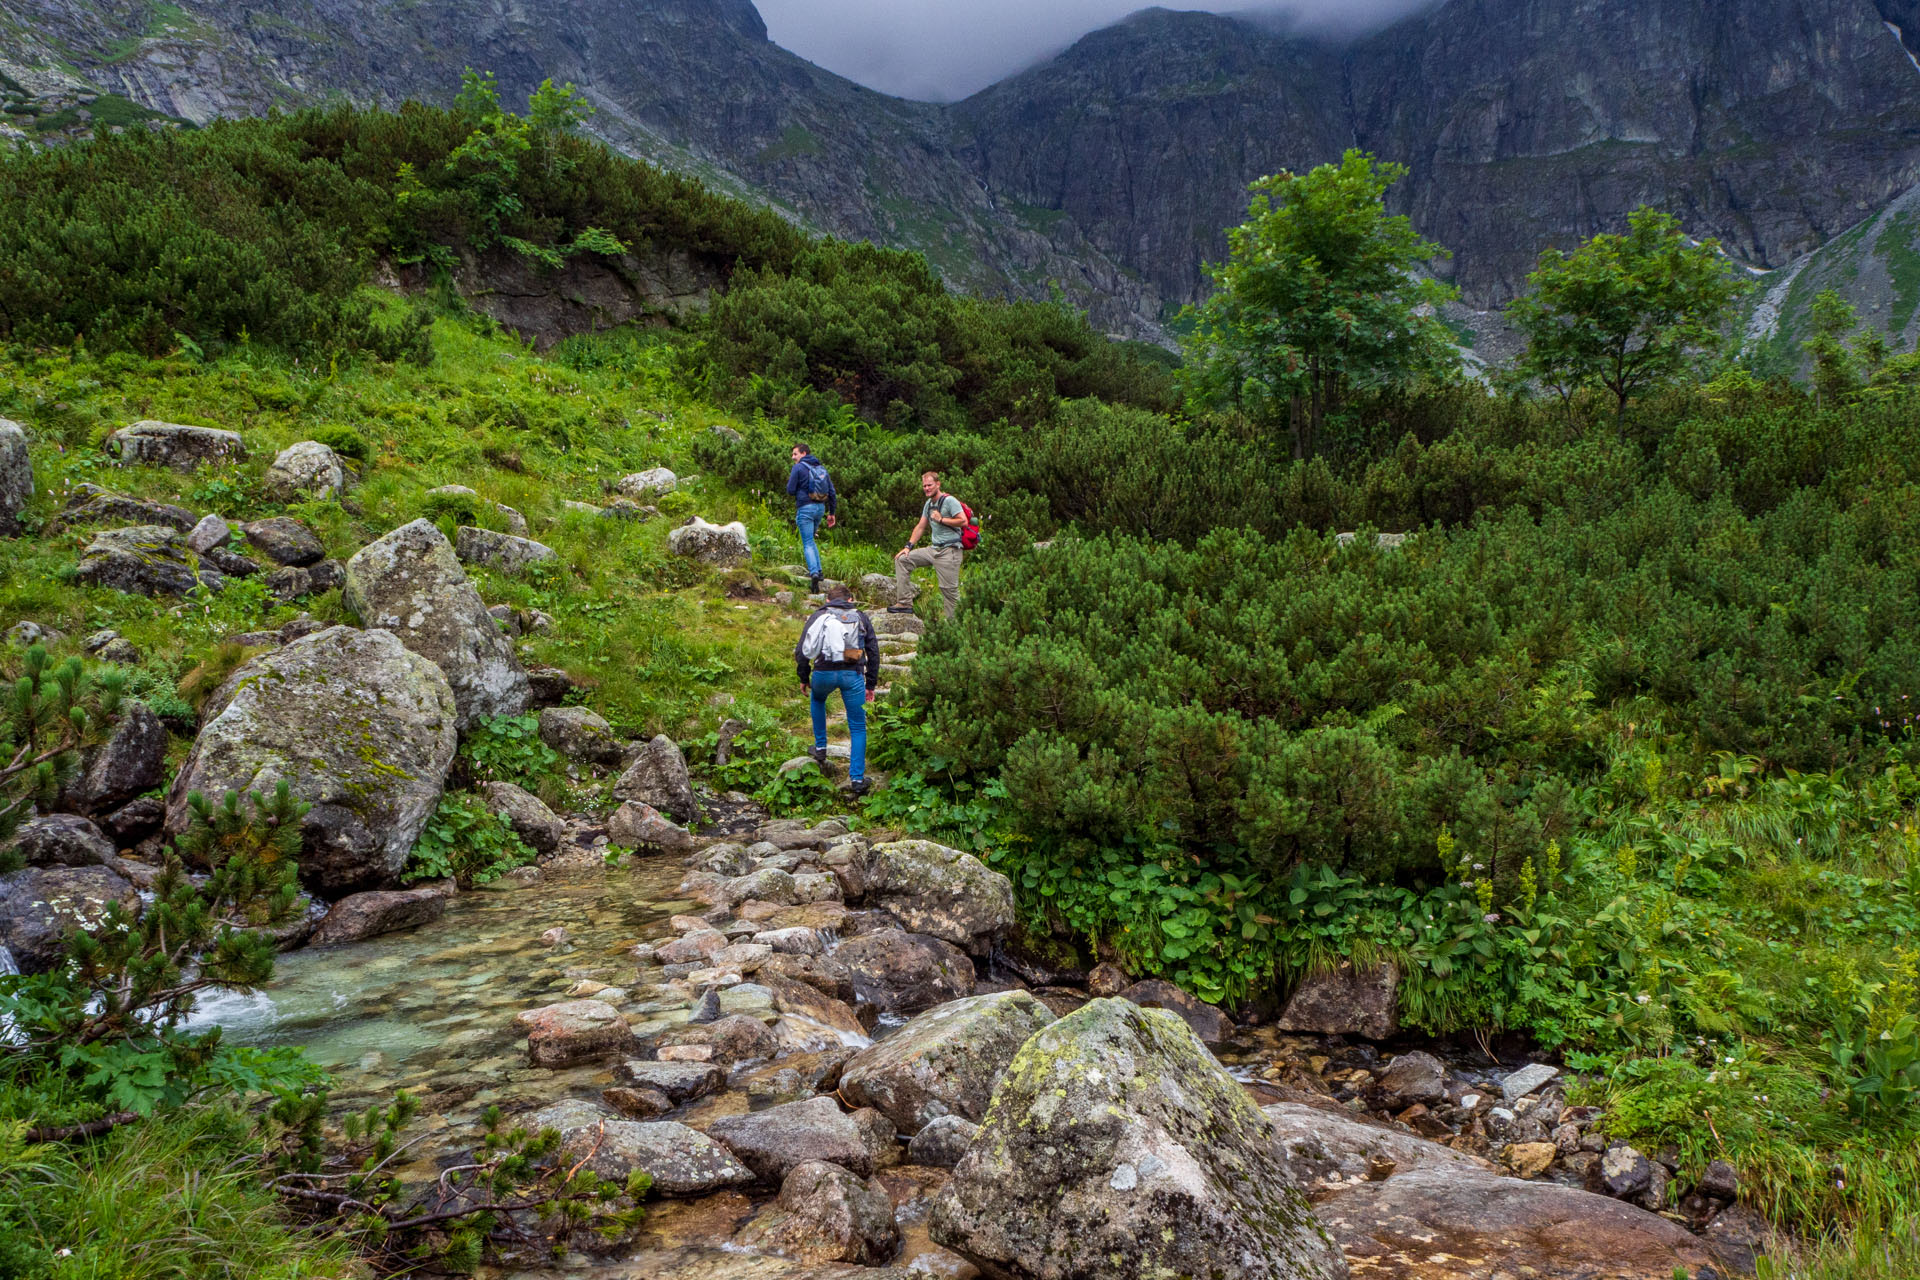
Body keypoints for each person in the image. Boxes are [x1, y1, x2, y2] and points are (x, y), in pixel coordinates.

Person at [794, 582, 880, 798]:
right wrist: (870, 684)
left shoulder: (819, 615)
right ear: (850, 600)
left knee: (818, 699)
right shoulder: (860, 616)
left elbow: (802, 650)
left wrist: (804, 677)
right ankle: (858, 779)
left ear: (827, 601)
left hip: (823, 672)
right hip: (852, 675)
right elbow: (873, 651)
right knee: (858, 727)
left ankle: (820, 748)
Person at [892, 470, 965, 619]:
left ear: (938, 484)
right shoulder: (929, 504)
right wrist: (908, 547)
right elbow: (920, 526)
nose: (926, 488)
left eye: (930, 485)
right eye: (924, 486)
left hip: (949, 551)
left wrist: (942, 519)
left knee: (949, 592)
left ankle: (956, 627)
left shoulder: (950, 501)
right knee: (902, 560)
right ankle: (905, 603)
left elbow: (963, 521)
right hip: (934, 549)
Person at [785, 442, 837, 593]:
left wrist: (799, 491)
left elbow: (790, 490)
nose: (793, 457)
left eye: (795, 453)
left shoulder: (799, 468)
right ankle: (819, 571)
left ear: (804, 453)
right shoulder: (821, 469)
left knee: (807, 541)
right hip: (820, 508)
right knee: (811, 539)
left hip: (805, 508)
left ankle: (814, 573)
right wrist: (831, 513)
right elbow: (832, 492)